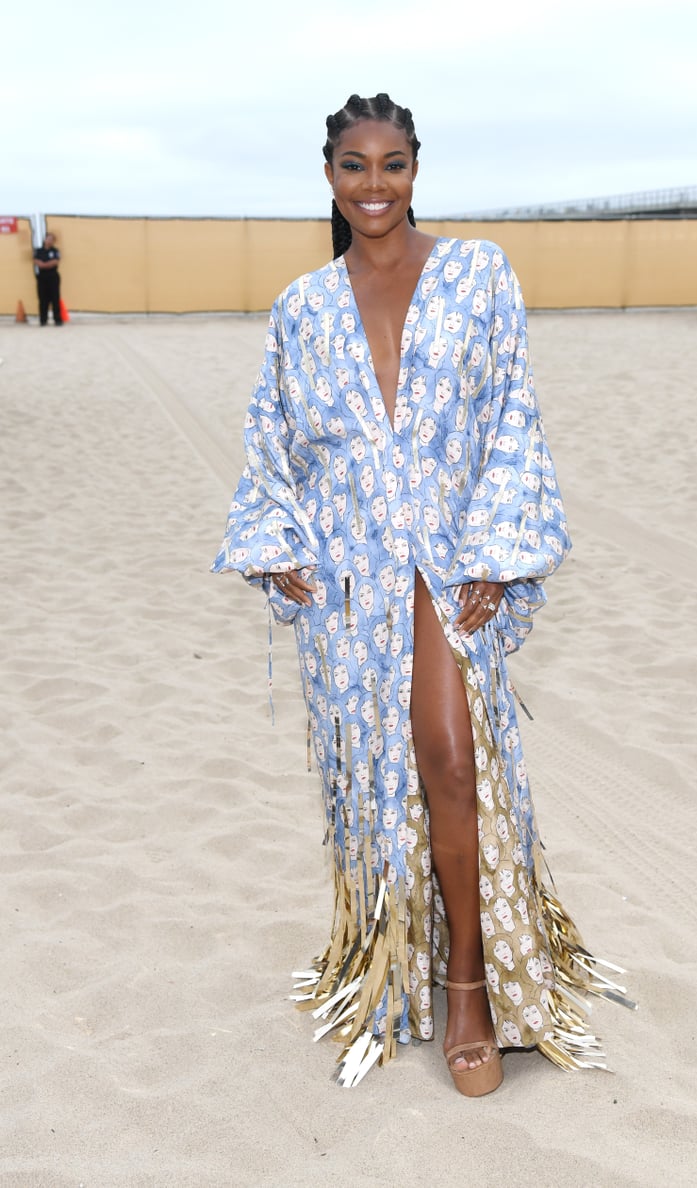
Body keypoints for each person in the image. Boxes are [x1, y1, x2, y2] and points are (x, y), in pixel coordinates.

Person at [213, 93, 631, 1095]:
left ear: (416, 169)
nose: (374, 186)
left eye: (392, 164)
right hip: (349, 572)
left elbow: (511, 414)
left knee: (449, 756)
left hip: (446, 558)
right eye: (353, 166)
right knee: (376, 776)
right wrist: (276, 544)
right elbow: (271, 436)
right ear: (328, 176)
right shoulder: (302, 307)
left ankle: (471, 990)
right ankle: (391, 957)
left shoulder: (478, 274)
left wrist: (497, 550)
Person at [33, 232, 62, 326]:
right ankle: (43, 320)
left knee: (55, 298)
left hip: (53, 276)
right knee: (42, 299)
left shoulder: (55, 251)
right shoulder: (38, 250)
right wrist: (41, 264)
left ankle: (57, 320)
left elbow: (55, 261)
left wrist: (45, 264)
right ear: (44, 239)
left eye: (51, 239)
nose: (49, 241)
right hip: (42, 277)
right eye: (48, 239)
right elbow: (35, 260)